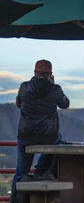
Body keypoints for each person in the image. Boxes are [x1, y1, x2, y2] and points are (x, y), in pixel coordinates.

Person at [10, 60, 70, 202]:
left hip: (25, 135)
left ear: (35, 73)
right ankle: (40, 171)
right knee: (58, 140)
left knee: (20, 172)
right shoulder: (55, 89)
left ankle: (13, 200)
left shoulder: (24, 87)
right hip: (48, 136)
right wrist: (53, 83)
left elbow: (19, 104)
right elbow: (65, 104)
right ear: (50, 74)